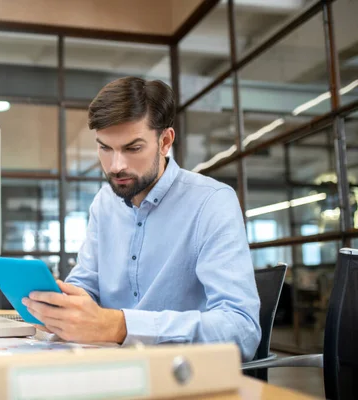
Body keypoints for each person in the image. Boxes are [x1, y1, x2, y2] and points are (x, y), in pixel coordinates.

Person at [22, 76, 261, 361]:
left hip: (180, 376)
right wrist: (61, 306)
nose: (116, 165)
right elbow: (87, 285)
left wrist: (120, 326)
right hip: (109, 369)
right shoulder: (104, 203)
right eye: (105, 148)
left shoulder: (212, 202)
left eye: (133, 148)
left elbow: (242, 331)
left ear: (165, 141)